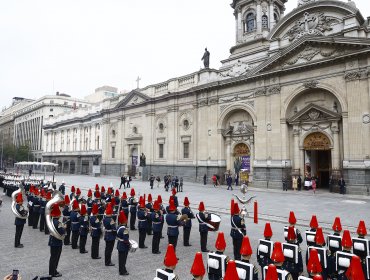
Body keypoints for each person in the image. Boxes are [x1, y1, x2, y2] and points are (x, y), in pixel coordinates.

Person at [48, 203, 65, 278]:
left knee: (53, 257)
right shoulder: (58, 223)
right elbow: (62, 231)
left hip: (52, 240)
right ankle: (53, 272)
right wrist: (64, 227)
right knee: (55, 257)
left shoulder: (51, 221)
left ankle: (52, 271)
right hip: (56, 242)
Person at [116, 210, 130, 276]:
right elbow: (126, 240)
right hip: (123, 246)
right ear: (125, 221)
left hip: (119, 244)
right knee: (123, 259)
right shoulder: (125, 229)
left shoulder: (118, 227)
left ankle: (121, 270)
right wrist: (129, 245)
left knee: (120, 259)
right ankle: (122, 271)